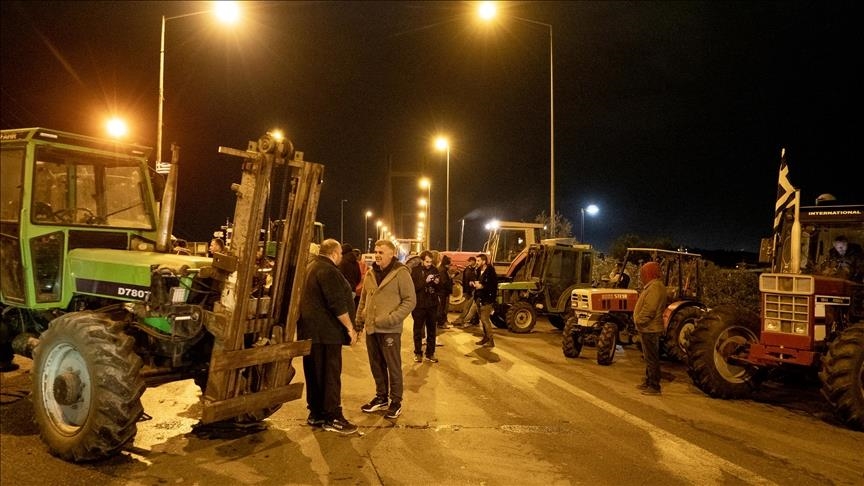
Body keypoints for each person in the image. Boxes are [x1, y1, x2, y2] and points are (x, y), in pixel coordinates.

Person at [297, 238, 359, 435]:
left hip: (311, 333)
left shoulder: (311, 267)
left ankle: (316, 413)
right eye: (340, 254)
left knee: (315, 374)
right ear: (334, 253)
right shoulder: (328, 270)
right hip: (327, 334)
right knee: (330, 376)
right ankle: (332, 416)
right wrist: (350, 328)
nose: (341, 257)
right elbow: (336, 303)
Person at [356, 239, 416, 419]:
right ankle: (381, 397)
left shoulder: (401, 273)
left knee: (393, 366)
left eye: (381, 252)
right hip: (371, 327)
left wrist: (392, 319)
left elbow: (410, 300)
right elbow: (364, 299)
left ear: (392, 254)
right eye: (376, 252)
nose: (377, 255)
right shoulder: (371, 273)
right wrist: (360, 320)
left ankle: (395, 401)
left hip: (390, 330)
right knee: (376, 364)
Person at [633, 261, 668, 396]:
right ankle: (649, 381)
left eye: (643, 273)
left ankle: (654, 386)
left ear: (649, 273)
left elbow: (650, 309)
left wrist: (638, 320)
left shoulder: (655, 287)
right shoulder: (653, 286)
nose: (641, 276)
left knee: (652, 358)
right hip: (648, 328)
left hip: (650, 328)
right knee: (649, 357)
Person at [410, 251, 441, 363]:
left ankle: (430, 353)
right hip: (419, 305)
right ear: (422, 260)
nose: (429, 264)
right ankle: (418, 353)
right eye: (427, 261)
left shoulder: (435, 270)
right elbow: (413, 288)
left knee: (432, 330)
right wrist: (425, 281)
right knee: (418, 330)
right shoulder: (415, 271)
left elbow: (439, 288)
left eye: (430, 262)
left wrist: (437, 283)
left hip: (432, 304)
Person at [473, 253, 498, 347]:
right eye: (476, 260)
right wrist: (473, 283)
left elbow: (493, 286)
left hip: (487, 299)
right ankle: (486, 338)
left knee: (485, 319)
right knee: (482, 320)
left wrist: (482, 286)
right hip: (479, 298)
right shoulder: (478, 270)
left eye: (478, 261)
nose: (476, 262)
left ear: (484, 261)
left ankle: (490, 340)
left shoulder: (490, 272)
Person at [453, 256, 479, 327]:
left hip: (474, 290)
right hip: (468, 290)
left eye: (470, 261)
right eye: (469, 261)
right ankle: (465, 320)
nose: (469, 262)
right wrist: (464, 291)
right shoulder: (467, 269)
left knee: (470, 307)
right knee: (468, 306)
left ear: (473, 261)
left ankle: (464, 320)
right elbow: (464, 280)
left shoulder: (477, 269)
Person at [436, 255, 454, 329]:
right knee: (441, 308)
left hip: (443, 292)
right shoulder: (442, 270)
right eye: (449, 265)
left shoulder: (443, 269)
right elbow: (444, 282)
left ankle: (442, 321)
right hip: (442, 292)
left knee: (442, 308)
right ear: (446, 264)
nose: (449, 266)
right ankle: (440, 323)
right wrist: (450, 281)